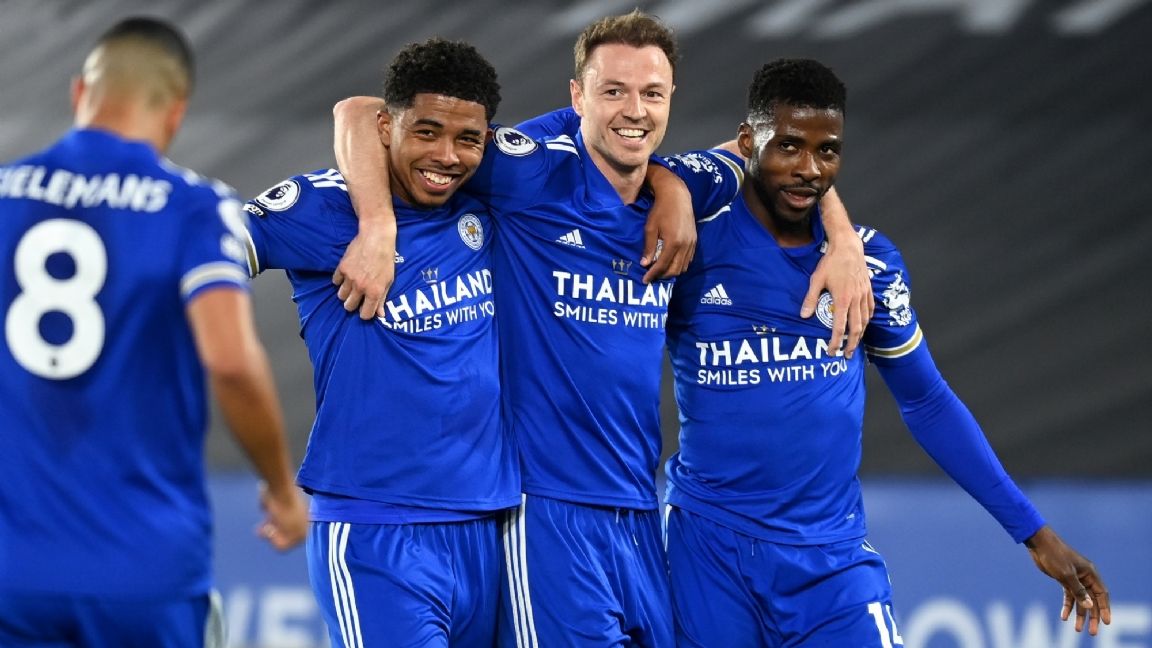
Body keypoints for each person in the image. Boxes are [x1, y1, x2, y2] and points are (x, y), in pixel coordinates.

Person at [330, 12, 872, 647]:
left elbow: (781, 156)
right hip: (546, 511)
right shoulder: (528, 173)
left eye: (652, 93)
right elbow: (360, 112)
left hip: (640, 512)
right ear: (577, 96)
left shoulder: (693, 184)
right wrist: (378, 226)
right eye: (613, 90)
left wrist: (841, 237)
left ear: (671, 99)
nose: (634, 110)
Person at [661, 58, 1111, 647]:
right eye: (789, 146)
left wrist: (1034, 532)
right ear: (748, 142)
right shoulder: (691, 242)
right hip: (707, 550)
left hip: (830, 564)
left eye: (828, 151)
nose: (809, 169)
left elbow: (926, 401)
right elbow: (636, 173)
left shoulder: (869, 264)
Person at [0, 17, 307, 648]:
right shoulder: (194, 207)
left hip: (11, 569)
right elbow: (230, 361)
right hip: (144, 568)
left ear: (79, 92)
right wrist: (280, 488)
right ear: (176, 111)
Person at [241, 39, 521, 647]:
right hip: (376, 529)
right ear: (387, 128)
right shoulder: (323, 207)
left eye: (467, 140)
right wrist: (375, 223)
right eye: (426, 132)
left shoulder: (488, 200)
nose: (446, 156)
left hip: (488, 527)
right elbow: (202, 259)